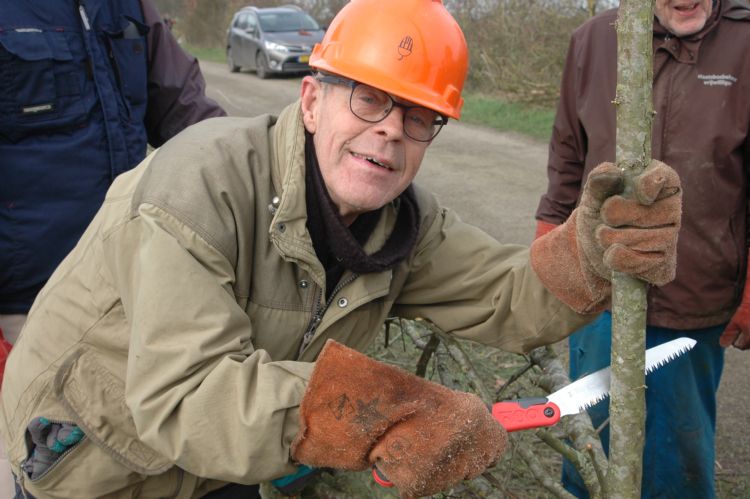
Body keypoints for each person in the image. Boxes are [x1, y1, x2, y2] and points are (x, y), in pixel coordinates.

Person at [0, 0, 682, 497]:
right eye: (368, 100)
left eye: (419, 117)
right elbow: (189, 394)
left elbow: (508, 293)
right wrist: (382, 413)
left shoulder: (400, 224)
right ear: (310, 101)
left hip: (214, 471)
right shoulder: (199, 186)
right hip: (85, 465)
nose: (391, 131)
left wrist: (592, 253)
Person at [534, 0, 750, 497]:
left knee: (678, 456)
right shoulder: (593, 41)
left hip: (696, 293)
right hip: (598, 285)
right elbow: (566, 154)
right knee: (593, 443)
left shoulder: (744, 44)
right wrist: (548, 245)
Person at [0, 0, 226, 346]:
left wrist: (259, 161)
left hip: (129, 285)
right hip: (28, 304)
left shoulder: (126, 6)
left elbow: (185, 109)